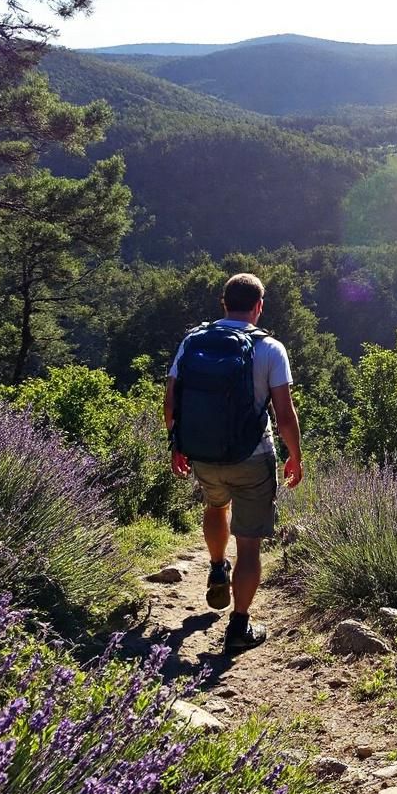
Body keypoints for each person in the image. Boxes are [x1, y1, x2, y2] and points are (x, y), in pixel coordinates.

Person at [163, 273, 303, 651]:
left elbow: (172, 397)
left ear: (224, 303)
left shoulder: (192, 341)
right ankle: (239, 627)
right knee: (250, 544)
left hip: (203, 453)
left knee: (215, 504)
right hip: (253, 456)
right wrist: (295, 457)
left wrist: (177, 443)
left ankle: (215, 566)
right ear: (259, 306)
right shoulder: (270, 348)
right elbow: (285, 414)